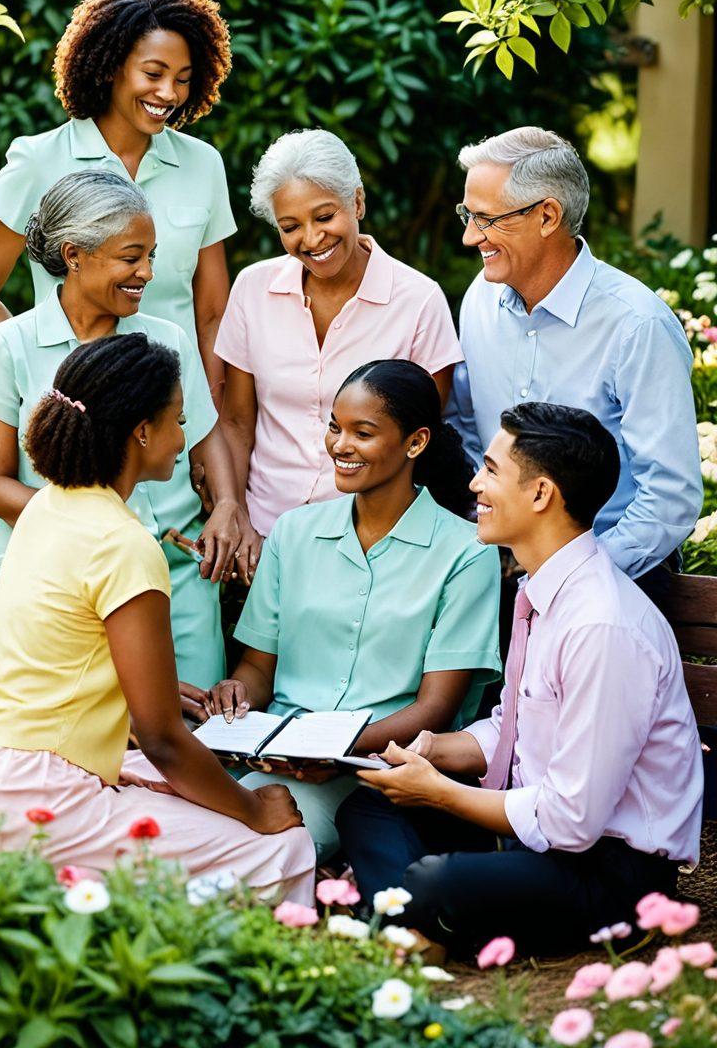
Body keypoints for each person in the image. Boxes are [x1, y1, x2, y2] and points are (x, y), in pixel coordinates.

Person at [0, 333, 315, 898]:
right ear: (141, 431)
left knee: (183, 789)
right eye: (177, 420)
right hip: (31, 794)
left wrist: (140, 688)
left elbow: (57, 650)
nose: (184, 439)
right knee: (283, 849)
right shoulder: (126, 546)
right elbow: (160, 738)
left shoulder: (46, 506)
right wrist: (257, 810)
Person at [337, 402, 703, 957]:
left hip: (610, 874)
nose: (474, 483)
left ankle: (412, 916)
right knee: (367, 806)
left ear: (541, 495)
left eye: (489, 470)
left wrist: (441, 794)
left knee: (435, 879)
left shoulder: (602, 625)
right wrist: (435, 751)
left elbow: (572, 821)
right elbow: (512, 725)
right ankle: (419, 924)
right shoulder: (541, 591)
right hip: (532, 833)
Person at [0, 169, 251, 690]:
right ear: (73, 255)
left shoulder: (168, 341)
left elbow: (207, 442)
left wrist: (229, 505)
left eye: (151, 257)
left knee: (187, 739)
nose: (147, 273)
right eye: (130, 257)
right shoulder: (5, 348)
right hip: (55, 577)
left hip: (175, 577)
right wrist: (107, 531)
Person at [207, 360, 502, 860]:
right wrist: (236, 693)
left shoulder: (466, 554)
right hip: (277, 760)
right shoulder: (293, 532)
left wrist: (336, 750)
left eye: (362, 433)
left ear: (416, 442)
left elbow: (436, 709)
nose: (341, 445)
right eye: (335, 427)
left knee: (253, 850)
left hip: (378, 777)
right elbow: (258, 668)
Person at [447, 126, 701, 599]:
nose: (468, 237)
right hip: (502, 575)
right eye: (468, 215)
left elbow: (669, 497)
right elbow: (463, 421)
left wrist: (574, 578)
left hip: (618, 579)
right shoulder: (478, 300)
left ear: (547, 216)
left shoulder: (637, 325)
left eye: (485, 219)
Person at [0, 0, 235, 403]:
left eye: (183, 79)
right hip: (73, 414)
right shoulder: (37, 161)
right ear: (110, 67)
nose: (169, 93)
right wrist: (45, 379)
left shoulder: (203, 165)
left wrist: (204, 413)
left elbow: (212, 312)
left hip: (172, 419)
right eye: (153, 73)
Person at [215, 130, 463, 582]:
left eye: (324, 216)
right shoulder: (252, 288)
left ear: (358, 202)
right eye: (290, 227)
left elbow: (419, 444)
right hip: (263, 539)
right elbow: (235, 423)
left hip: (370, 549)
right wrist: (237, 515)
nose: (311, 239)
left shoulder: (419, 301)